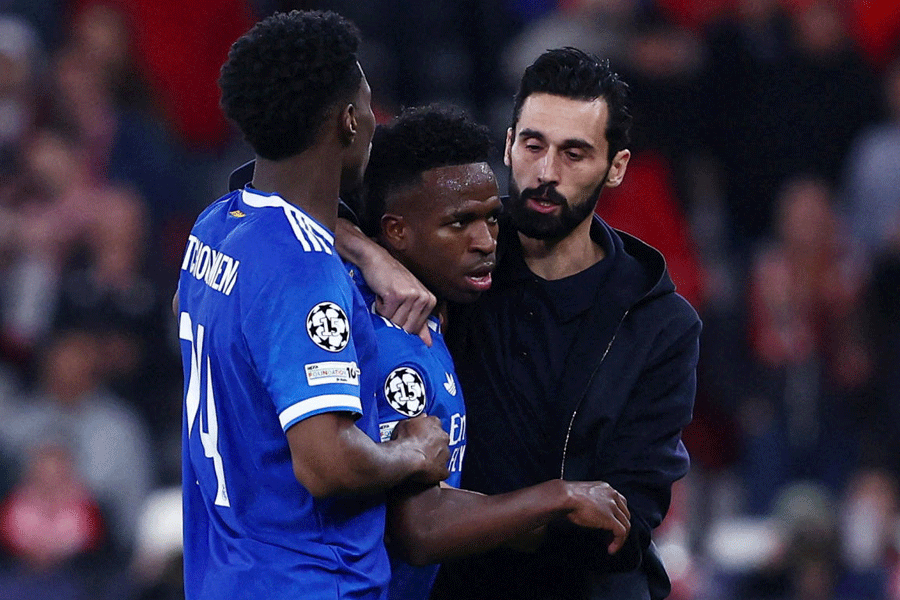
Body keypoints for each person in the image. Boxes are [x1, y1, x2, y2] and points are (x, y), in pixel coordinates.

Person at [337, 47, 701, 600]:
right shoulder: (453, 246)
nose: (546, 173)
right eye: (534, 145)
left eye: (574, 153)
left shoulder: (660, 326)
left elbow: (620, 524)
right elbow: (279, 196)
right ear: (508, 144)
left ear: (616, 167)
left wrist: (472, 516)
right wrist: (367, 251)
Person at [175, 11, 449, 600]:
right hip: (310, 581)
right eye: (368, 105)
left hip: (224, 577)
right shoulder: (304, 271)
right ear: (348, 120)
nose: (375, 122)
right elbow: (327, 464)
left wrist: (358, 247)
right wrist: (413, 452)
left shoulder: (216, 226)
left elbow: (195, 306)